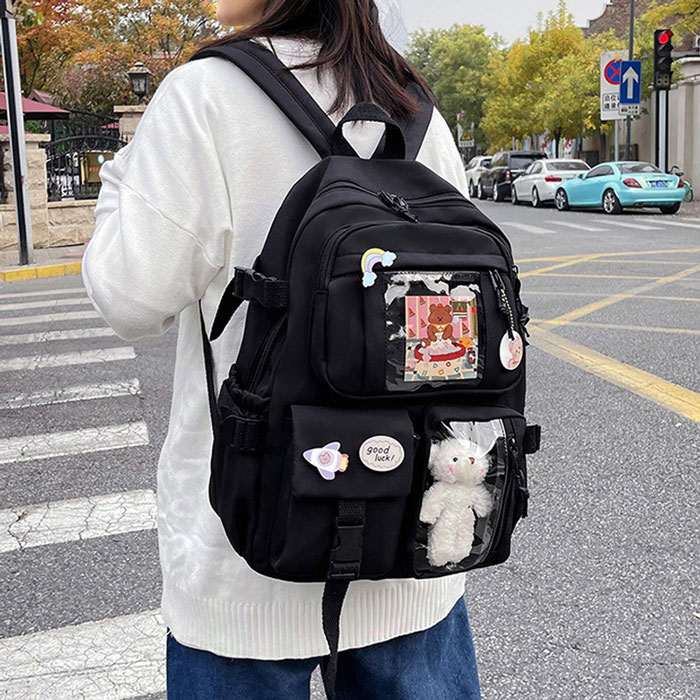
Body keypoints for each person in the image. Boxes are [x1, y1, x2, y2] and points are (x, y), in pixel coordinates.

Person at [82, 1, 481, 698]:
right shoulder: (413, 104)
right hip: (408, 543)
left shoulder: (205, 95)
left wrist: (122, 179)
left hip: (245, 561)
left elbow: (128, 297)